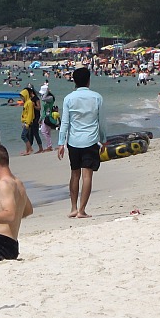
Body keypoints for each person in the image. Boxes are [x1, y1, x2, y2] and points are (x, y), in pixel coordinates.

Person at [57, 67, 106, 219]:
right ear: (88, 80)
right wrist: (103, 140)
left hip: (73, 141)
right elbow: (101, 122)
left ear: (74, 81)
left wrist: (61, 143)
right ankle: (82, 210)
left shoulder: (68, 98)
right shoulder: (97, 97)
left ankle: (73, 208)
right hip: (91, 140)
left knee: (74, 174)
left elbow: (64, 122)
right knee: (87, 176)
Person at [19, 84, 42, 155]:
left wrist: (34, 105)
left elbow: (39, 108)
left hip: (35, 118)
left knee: (35, 133)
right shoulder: (28, 100)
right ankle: (28, 149)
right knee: (30, 134)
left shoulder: (35, 99)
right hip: (30, 119)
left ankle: (40, 148)